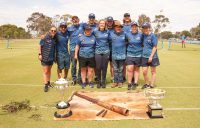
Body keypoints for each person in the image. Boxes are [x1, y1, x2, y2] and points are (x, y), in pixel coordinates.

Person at [74, 24, 96, 89]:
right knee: (83, 70)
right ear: (84, 30)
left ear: (91, 30)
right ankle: (84, 82)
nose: (88, 31)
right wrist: (75, 54)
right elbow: (77, 46)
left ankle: (90, 82)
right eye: (87, 30)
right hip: (82, 56)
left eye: (89, 29)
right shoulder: (80, 37)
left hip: (91, 56)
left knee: (91, 70)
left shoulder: (94, 37)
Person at [141, 22, 160, 89]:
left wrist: (151, 56)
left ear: (149, 28)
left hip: (153, 57)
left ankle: (151, 85)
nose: (145, 29)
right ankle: (147, 84)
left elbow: (155, 47)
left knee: (153, 72)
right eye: (144, 28)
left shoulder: (153, 36)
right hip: (144, 56)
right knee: (144, 72)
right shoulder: (143, 35)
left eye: (146, 28)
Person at [109, 21, 127, 88]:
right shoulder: (111, 34)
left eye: (120, 27)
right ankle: (115, 82)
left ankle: (120, 82)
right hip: (114, 55)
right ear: (114, 28)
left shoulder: (125, 34)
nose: (118, 28)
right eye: (117, 27)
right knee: (115, 69)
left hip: (122, 55)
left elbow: (129, 41)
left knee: (121, 69)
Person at [38, 26, 57, 92]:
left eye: (55, 31)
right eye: (52, 30)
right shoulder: (45, 37)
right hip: (45, 57)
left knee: (49, 70)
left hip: (51, 58)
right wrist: (40, 54)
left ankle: (48, 83)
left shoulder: (55, 38)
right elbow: (40, 45)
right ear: (49, 30)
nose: (53, 32)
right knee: (45, 71)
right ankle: (46, 84)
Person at [126, 21, 143, 90]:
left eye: (135, 26)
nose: (134, 27)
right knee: (130, 69)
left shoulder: (141, 35)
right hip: (130, 54)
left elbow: (144, 43)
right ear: (131, 27)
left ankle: (135, 83)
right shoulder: (127, 34)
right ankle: (129, 83)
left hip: (138, 54)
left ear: (137, 27)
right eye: (133, 26)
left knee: (136, 70)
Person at [93, 20, 110, 88]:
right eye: (101, 23)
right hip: (98, 51)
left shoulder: (108, 31)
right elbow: (88, 34)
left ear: (105, 24)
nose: (102, 24)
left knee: (104, 67)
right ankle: (99, 81)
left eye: (103, 23)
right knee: (98, 67)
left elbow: (110, 40)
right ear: (98, 24)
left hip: (106, 51)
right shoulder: (95, 31)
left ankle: (103, 81)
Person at [68, 16, 83, 85]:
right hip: (72, 49)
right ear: (72, 21)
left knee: (81, 64)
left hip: (82, 48)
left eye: (76, 19)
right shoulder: (69, 28)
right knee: (74, 65)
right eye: (73, 20)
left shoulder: (82, 26)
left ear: (78, 19)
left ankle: (79, 78)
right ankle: (74, 79)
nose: (75, 20)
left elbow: (92, 25)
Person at [106, 16, 115, 82]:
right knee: (104, 65)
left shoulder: (115, 29)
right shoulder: (104, 29)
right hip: (105, 50)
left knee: (112, 65)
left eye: (111, 21)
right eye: (108, 21)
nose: (109, 22)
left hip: (112, 50)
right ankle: (102, 78)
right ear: (107, 22)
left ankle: (112, 77)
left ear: (112, 22)